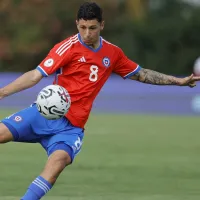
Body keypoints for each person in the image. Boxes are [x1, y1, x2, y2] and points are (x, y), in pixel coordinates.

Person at [0, 2, 199, 200]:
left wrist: (178, 81)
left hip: (70, 128)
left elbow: (141, 74)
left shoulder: (112, 53)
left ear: (102, 25)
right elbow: (35, 76)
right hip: (43, 114)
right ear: (77, 23)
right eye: (82, 27)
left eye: (92, 28)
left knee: (56, 164)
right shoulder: (67, 47)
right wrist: (2, 93)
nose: (87, 33)